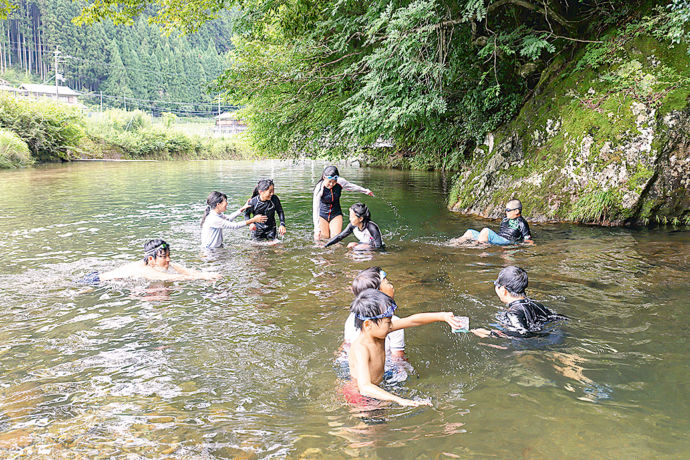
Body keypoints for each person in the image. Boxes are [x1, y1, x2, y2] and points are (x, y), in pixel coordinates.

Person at [345, 289, 464, 407]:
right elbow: (365, 387)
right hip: (361, 396)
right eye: (388, 322)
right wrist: (400, 400)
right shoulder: (361, 349)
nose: (391, 325)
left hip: (376, 388)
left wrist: (442, 316)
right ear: (368, 324)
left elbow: (412, 321)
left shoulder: (379, 332)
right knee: (370, 426)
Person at [471, 266, 566, 339]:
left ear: (503, 290)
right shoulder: (537, 305)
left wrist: (490, 333)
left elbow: (522, 334)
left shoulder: (513, 313)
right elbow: (556, 318)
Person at [88, 239, 221, 282]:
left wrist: (206, 274)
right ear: (151, 259)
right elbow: (170, 278)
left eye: (169, 255)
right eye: (164, 256)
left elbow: (184, 271)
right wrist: (201, 278)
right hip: (94, 282)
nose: (168, 259)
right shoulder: (145, 270)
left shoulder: (160, 263)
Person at [343, 267, 404, 359]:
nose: (391, 286)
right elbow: (398, 358)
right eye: (387, 283)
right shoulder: (391, 321)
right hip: (385, 367)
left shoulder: (353, 317)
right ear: (378, 294)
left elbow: (346, 345)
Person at [313, 166, 374, 241]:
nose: (331, 184)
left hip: (335, 213)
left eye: (334, 182)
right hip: (322, 215)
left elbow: (351, 186)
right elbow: (316, 208)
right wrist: (316, 228)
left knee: (335, 238)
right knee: (323, 238)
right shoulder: (319, 188)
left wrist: (365, 191)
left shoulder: (340, 182)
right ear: (324, 177)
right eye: (329, 181)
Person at [451, 199, 533, 246]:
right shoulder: (505, 219)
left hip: (506, 241)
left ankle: (475, 247)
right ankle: (454, 244)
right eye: (505, 210)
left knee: (485, 231)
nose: (506, 212)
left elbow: (527, 239)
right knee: (470, 232)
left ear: (516, 211)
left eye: (508, 210)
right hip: (499, 238)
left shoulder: (522, 223)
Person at [200, 191, 267, 249]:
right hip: (210, 251)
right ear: (218, 204)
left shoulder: (217, 214)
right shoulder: (213, 219)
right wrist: (253, 220)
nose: (227, 203)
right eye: (225, 201)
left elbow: (229, 218)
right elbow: (234, 226)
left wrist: (243, 208)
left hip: (216, 248)